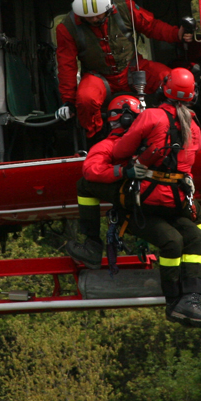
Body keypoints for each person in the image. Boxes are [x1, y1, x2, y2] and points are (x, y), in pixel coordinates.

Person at [108, 68, 201, 328]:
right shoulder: (194, 125)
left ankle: (188, 301)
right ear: (191, 96)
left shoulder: (151, 117)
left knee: (189, 239)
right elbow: (190, 157)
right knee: (186, 240)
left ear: (164, 88)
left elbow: (120, 150)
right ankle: (180, 300)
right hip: (172, 203)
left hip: (147, 202)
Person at [55, 0, 191, 140]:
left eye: (98, 15)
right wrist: (69, 101)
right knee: (85, 99)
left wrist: (176, 34)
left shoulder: (126, 8)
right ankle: (97, 138)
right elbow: (67, 66)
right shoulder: (66, 28)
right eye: (89, 17)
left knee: (169, 80)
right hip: (98, 77)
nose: (94, 19)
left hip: (132, 68)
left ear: (108, 8)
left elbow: (152, 27)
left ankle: (176, 128)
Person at [64, 93, 143, 269]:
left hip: (135, 197)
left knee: (83, 185)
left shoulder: (108, 146)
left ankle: (92, 245)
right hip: (163, 195)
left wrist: (121, 172)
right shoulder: (156, 138)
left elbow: (91, 171)